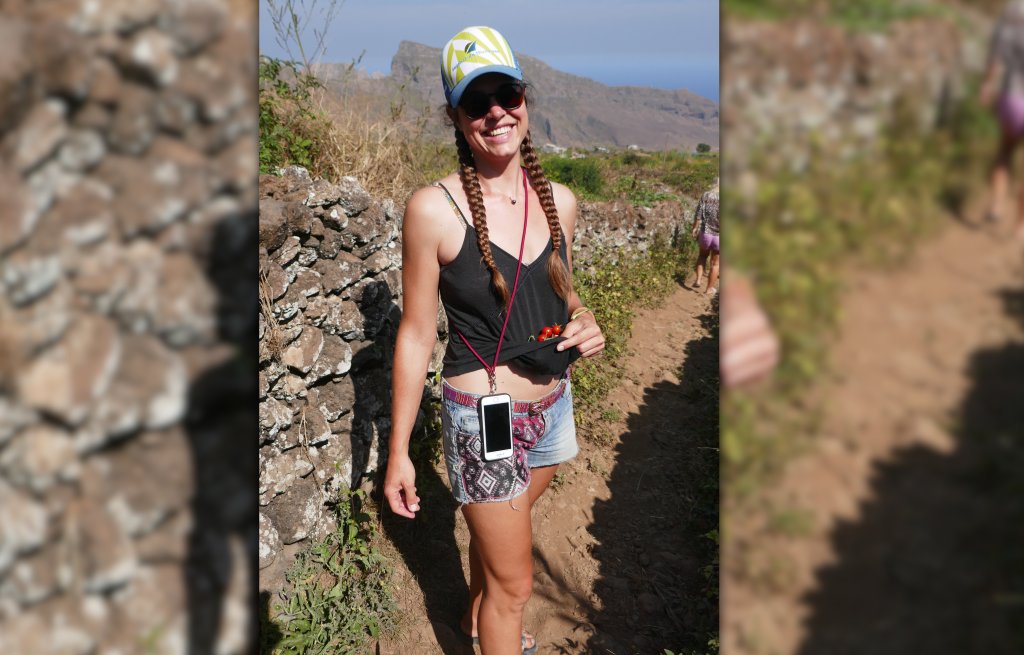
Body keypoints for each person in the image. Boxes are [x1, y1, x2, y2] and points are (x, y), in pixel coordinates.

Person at [382, 26, 605, 655]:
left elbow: (562, 296)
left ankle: (479, 618)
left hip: (553, 403)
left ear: (526, 98)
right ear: (455, 117)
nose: (496, 113)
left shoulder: (560, 200)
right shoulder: (433, 209)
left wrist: (586, 320)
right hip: (485, 420)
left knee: (504, 538)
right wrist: (400, 452)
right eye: (477, 103)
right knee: (516, 584)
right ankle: (497, 623)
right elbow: (417, 333)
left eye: (506, 94)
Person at [980, 0, 1024, 238]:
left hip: (1012, 96)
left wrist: (987, 85)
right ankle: (1021, 227)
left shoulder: (1011, 11)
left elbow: (996, 55)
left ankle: (996, 206)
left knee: (1005, 152)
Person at [690, 179, 720, 294]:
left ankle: (698, 280)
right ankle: (708, 289)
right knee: (715, 264)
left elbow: (698, 214)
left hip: (705, 233)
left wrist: (695, 228)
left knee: (702, 256)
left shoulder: (706, 195)